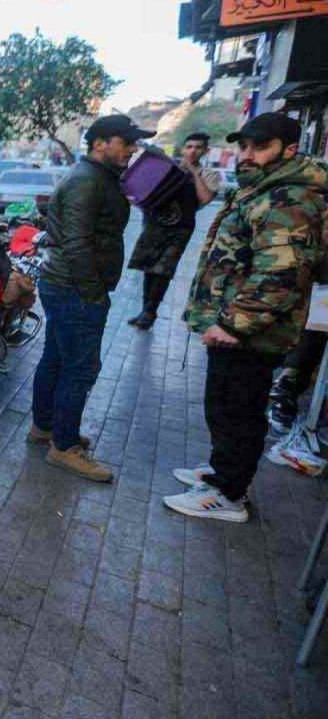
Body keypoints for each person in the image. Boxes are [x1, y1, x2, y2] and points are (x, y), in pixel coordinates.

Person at [168, 113, 327, 523]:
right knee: (227, 405)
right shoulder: (264, 188)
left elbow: (280, 275)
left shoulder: (288, 199)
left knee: (237, 409)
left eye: (260, 147)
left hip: (250, 333)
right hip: (240, 328)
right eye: (244, 147)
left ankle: (227, 494)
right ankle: (224, 473)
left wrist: (233, 324)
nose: (247, 156)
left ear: (289, 150)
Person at [29, 114, 152, 482]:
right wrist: (93, 294)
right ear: (100, 143)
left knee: (56, 358)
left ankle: (46, 427)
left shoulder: (99, 178)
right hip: (74, 289)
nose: (132, 149)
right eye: (125, 142)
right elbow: (77, 243)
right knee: (79, 368)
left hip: (67, 286)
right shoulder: (86, 181)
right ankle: (64, 447)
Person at [126, 132, 221, 330]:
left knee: (163, 270)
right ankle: (145, 310)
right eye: (189, 147)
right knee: (148, 267)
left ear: (205, 151)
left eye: (198, 147)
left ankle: (151, 312)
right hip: (155, 223)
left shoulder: (209, 174)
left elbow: (204, 198)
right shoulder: (168, 168)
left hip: (180, 228)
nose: (192, 151)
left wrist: (193, 172)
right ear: (183, 149)